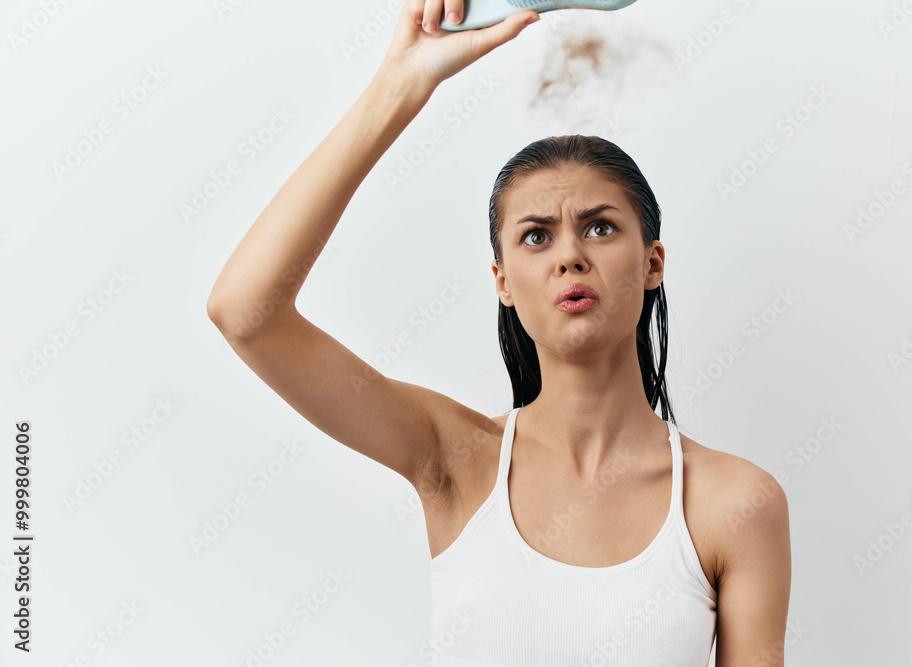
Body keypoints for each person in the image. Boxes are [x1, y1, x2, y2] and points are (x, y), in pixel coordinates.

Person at [206, 1, 792, 664]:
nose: (569, 254)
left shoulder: (732, 501)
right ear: (503, 281)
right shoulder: (457, 460)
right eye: (536, 236)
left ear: (653, 262)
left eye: (599, 226)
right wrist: (402, 85)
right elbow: (245, 311)